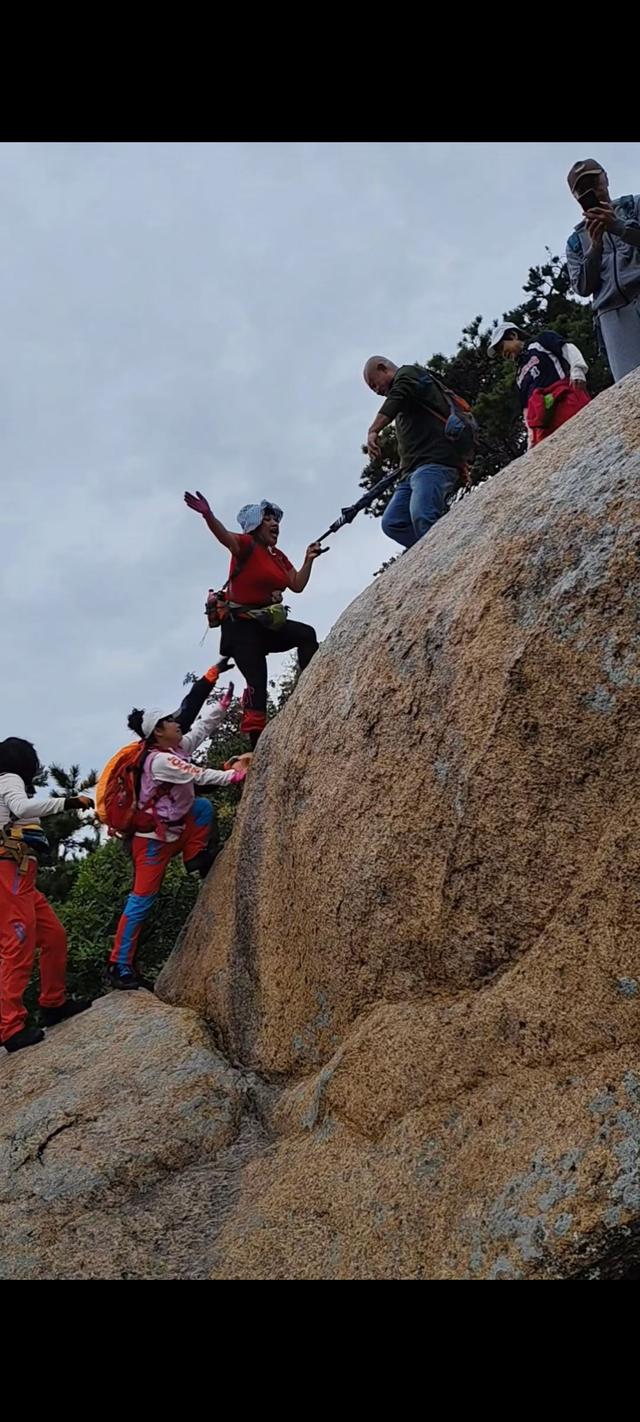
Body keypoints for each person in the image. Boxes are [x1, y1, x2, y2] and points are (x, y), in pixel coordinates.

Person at [108, 672, 251, 989]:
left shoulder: (175, 747)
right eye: (171, 721)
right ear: (158, 732)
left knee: (201, 808)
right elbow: (196, 774)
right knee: (142, 900)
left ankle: (196, 856)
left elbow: (200, 729)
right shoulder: (160, 761)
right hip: (152, 844)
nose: (177, 723)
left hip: (176, 829)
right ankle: (119, 964)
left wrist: (221, 707)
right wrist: (234, 777)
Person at [184, 492, 322, 746]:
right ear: (255, 524)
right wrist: (207, 514)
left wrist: (308, 560)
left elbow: (296, 584)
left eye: (275, 520)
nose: (274, 524)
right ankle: (257, 747)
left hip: (264, 625)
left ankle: (313, 688)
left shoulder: (277, 555)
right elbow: (224, 537)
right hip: (241, 630)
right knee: (257, 683)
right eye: (267, 519)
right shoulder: (245, 545)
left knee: (306, 634)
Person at [0, 738, 93, 1053]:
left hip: (21, 876)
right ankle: (9, 1027)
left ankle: (53, 1003)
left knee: (53, 936)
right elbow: (23, 808)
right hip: (8, 872)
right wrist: (69, 802)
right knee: (17, 945)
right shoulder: (8, 778)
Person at [363, 356, 465, 550]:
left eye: (374, 385)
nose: (377, 392)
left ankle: (448, 557)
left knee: (422, 514)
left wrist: (374, 429)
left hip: (434, 462)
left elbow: (398, 396)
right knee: (392, 522)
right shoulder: (403, 401)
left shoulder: (408, 374)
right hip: (411, 473)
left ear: (383, 368)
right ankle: (430, 554)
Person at [566, 159, 640, 383]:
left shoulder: (633, 207)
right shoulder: (576, 241)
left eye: (594, 182)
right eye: (583, 189)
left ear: (606, 178)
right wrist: (595, 248)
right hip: (612, 315)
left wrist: (618, 226)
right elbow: (582, 287)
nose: (592, 191)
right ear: (576, 196)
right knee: (632, 389)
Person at [488, 324, 590, 447]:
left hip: (566, 401)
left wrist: (577, 370)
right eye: (499, 352)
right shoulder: (519, 375)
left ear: (512, 335)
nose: (502, 354)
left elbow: (568, 349)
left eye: (501, 347)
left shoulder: (540, 342)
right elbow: (526, 409)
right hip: (544, 425)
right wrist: (531, 439)